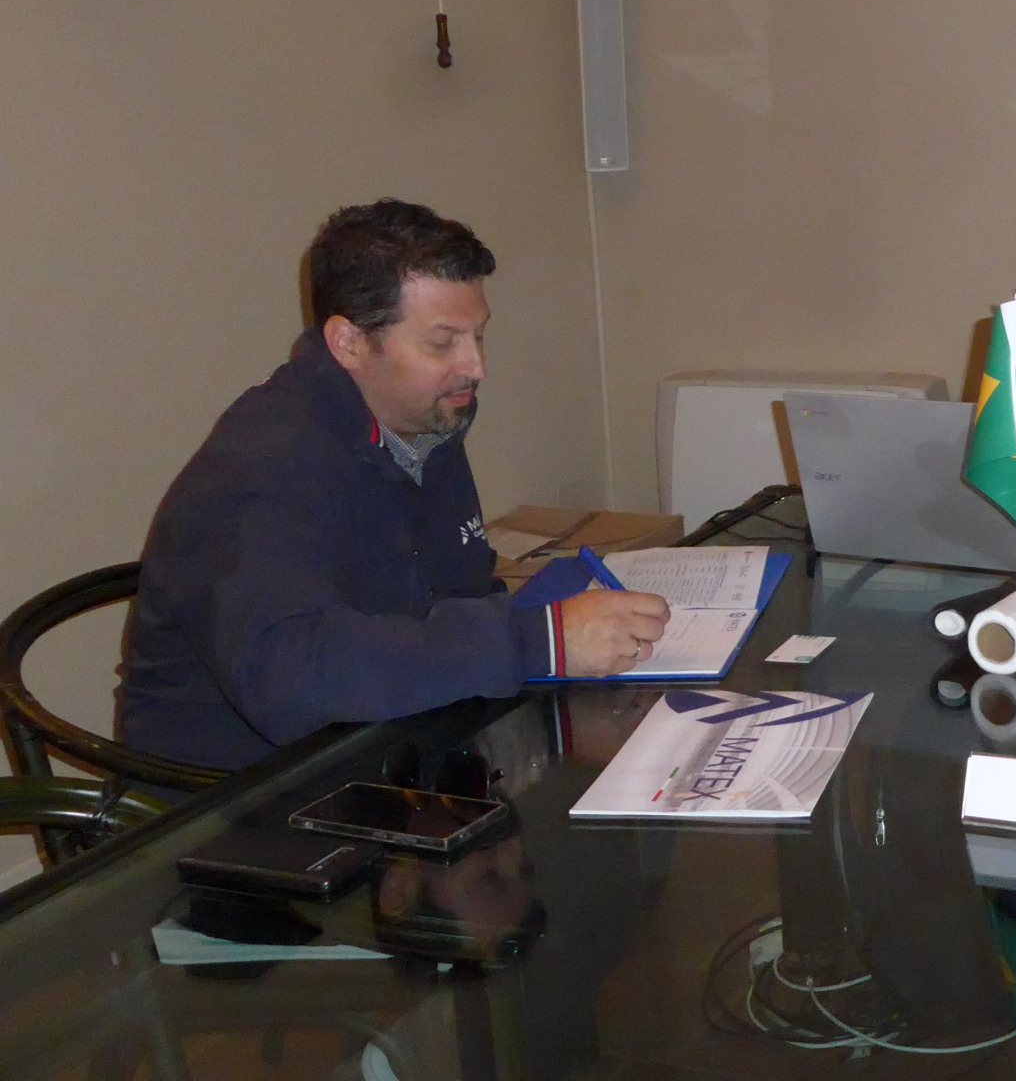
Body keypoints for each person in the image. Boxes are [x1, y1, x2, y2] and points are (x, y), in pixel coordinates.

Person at [119, 200, 670, 772]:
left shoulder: (425, 422)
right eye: (442, 342)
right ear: (349, 342)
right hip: (242, 795)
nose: (475, 366)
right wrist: (541, 640)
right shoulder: (261, 469)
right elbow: (290, 679)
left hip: (391, 749)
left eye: (479, 336)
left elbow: (458, 594)